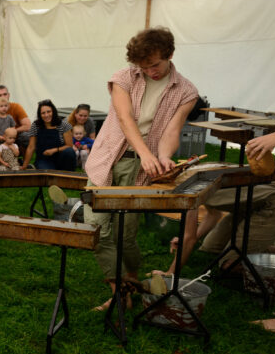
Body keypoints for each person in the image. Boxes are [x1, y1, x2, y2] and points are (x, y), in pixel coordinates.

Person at [83, 27, 199, 307]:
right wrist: (148, 153)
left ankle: (130, 281)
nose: (150, 71)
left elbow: (172, 131)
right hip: (108, 159)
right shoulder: (124, 77)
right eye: (143, 67)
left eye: (155, 65)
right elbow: (125, 119)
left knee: (126, 232)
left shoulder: (186, 91)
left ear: (170, 55)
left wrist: (165, 156)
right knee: (96, 227)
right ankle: (119, 291)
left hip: (140, 169)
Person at [22, 100, 75, 171]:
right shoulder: (35, 125)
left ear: (53, 111)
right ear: (40, 115)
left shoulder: (64, 125)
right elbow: (31, 147)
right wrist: (24, 166)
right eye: (43, 113)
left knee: (69, 152)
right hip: (43, 159)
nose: (46, 115)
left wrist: (54, 150)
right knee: (48, 174)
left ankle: (68, 174)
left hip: (60, 158)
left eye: (48, 112)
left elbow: (69, 146)